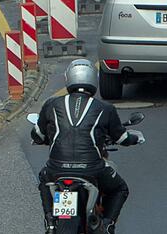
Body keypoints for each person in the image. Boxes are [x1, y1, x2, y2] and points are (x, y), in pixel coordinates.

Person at [30, 59, 145, 234]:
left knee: (44, 179)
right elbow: (122, 138)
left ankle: (50, 220)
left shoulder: (51, 104)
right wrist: (135, 138)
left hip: (57, 169)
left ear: (68, 78)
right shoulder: (105, 108)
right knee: (120, 189)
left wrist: (45, 138)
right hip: (92, 169)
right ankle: (107, 225)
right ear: (93, 79)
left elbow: (37, 135)